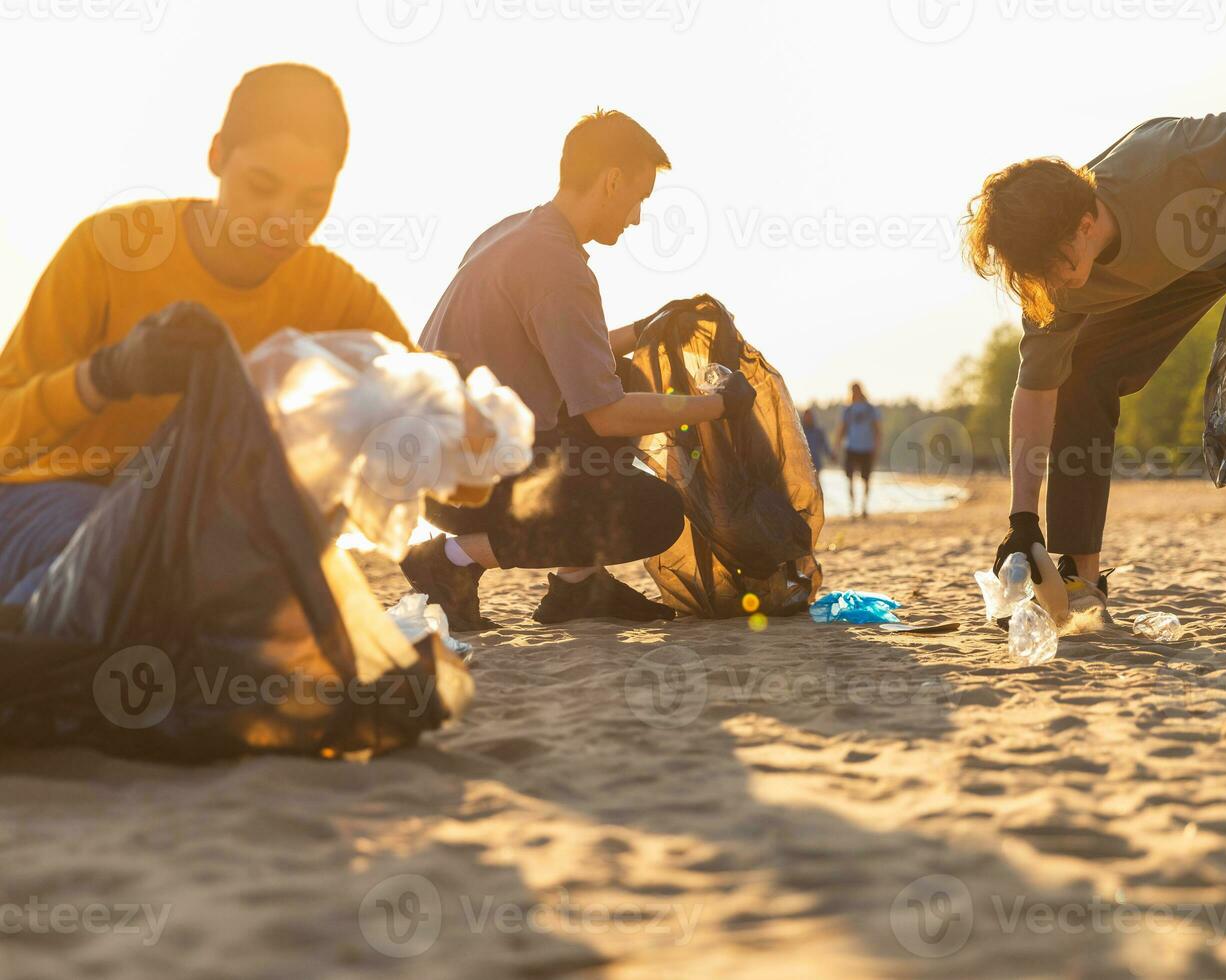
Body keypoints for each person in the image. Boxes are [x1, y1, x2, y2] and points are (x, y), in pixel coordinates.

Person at [0, 64, 408, 608]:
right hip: (54, 499)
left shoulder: (334, 291)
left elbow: (436, 404)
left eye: (313, 199)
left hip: (206, 526)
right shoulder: (108, 249)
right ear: (217, 155)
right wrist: (104, 376)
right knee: (127, 568)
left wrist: (453, 425)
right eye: (262, 186)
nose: (283, 220)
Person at [964, 98, 1226, 642]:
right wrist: (1022, 521)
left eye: (1050, 266)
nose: (1045, 283)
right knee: (1080, 373)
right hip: (1173, 274)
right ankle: (1083, 577)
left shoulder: (1165, 160)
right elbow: (1036, 392)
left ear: (1086, 225)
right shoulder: (1052, 282)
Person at [402, 109, 757, 629]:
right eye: (639, 199)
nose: (636, 218)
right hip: (460, 482)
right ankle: (450, 560)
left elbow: (561, 352)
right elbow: (606, 416)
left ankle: (578, 586)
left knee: (625, 375)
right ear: (612, 181)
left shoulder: (515, 232)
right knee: (655, 512)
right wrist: (719, 405)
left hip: (435, 465)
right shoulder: (557, 266)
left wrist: (647, 328)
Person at [834, 382, 881, 519]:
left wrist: (876, 447)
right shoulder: (847, 410)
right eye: (852, 390)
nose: (855, 393)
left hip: (867, 447)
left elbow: (877, 429)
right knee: (850, 479)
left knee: (866, 479)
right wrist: (836, 447)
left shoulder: (870, 409)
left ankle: (864, 506)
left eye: (856, 390)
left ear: (861, 390)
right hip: (851, 447)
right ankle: (852, 507)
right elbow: (841, 429)